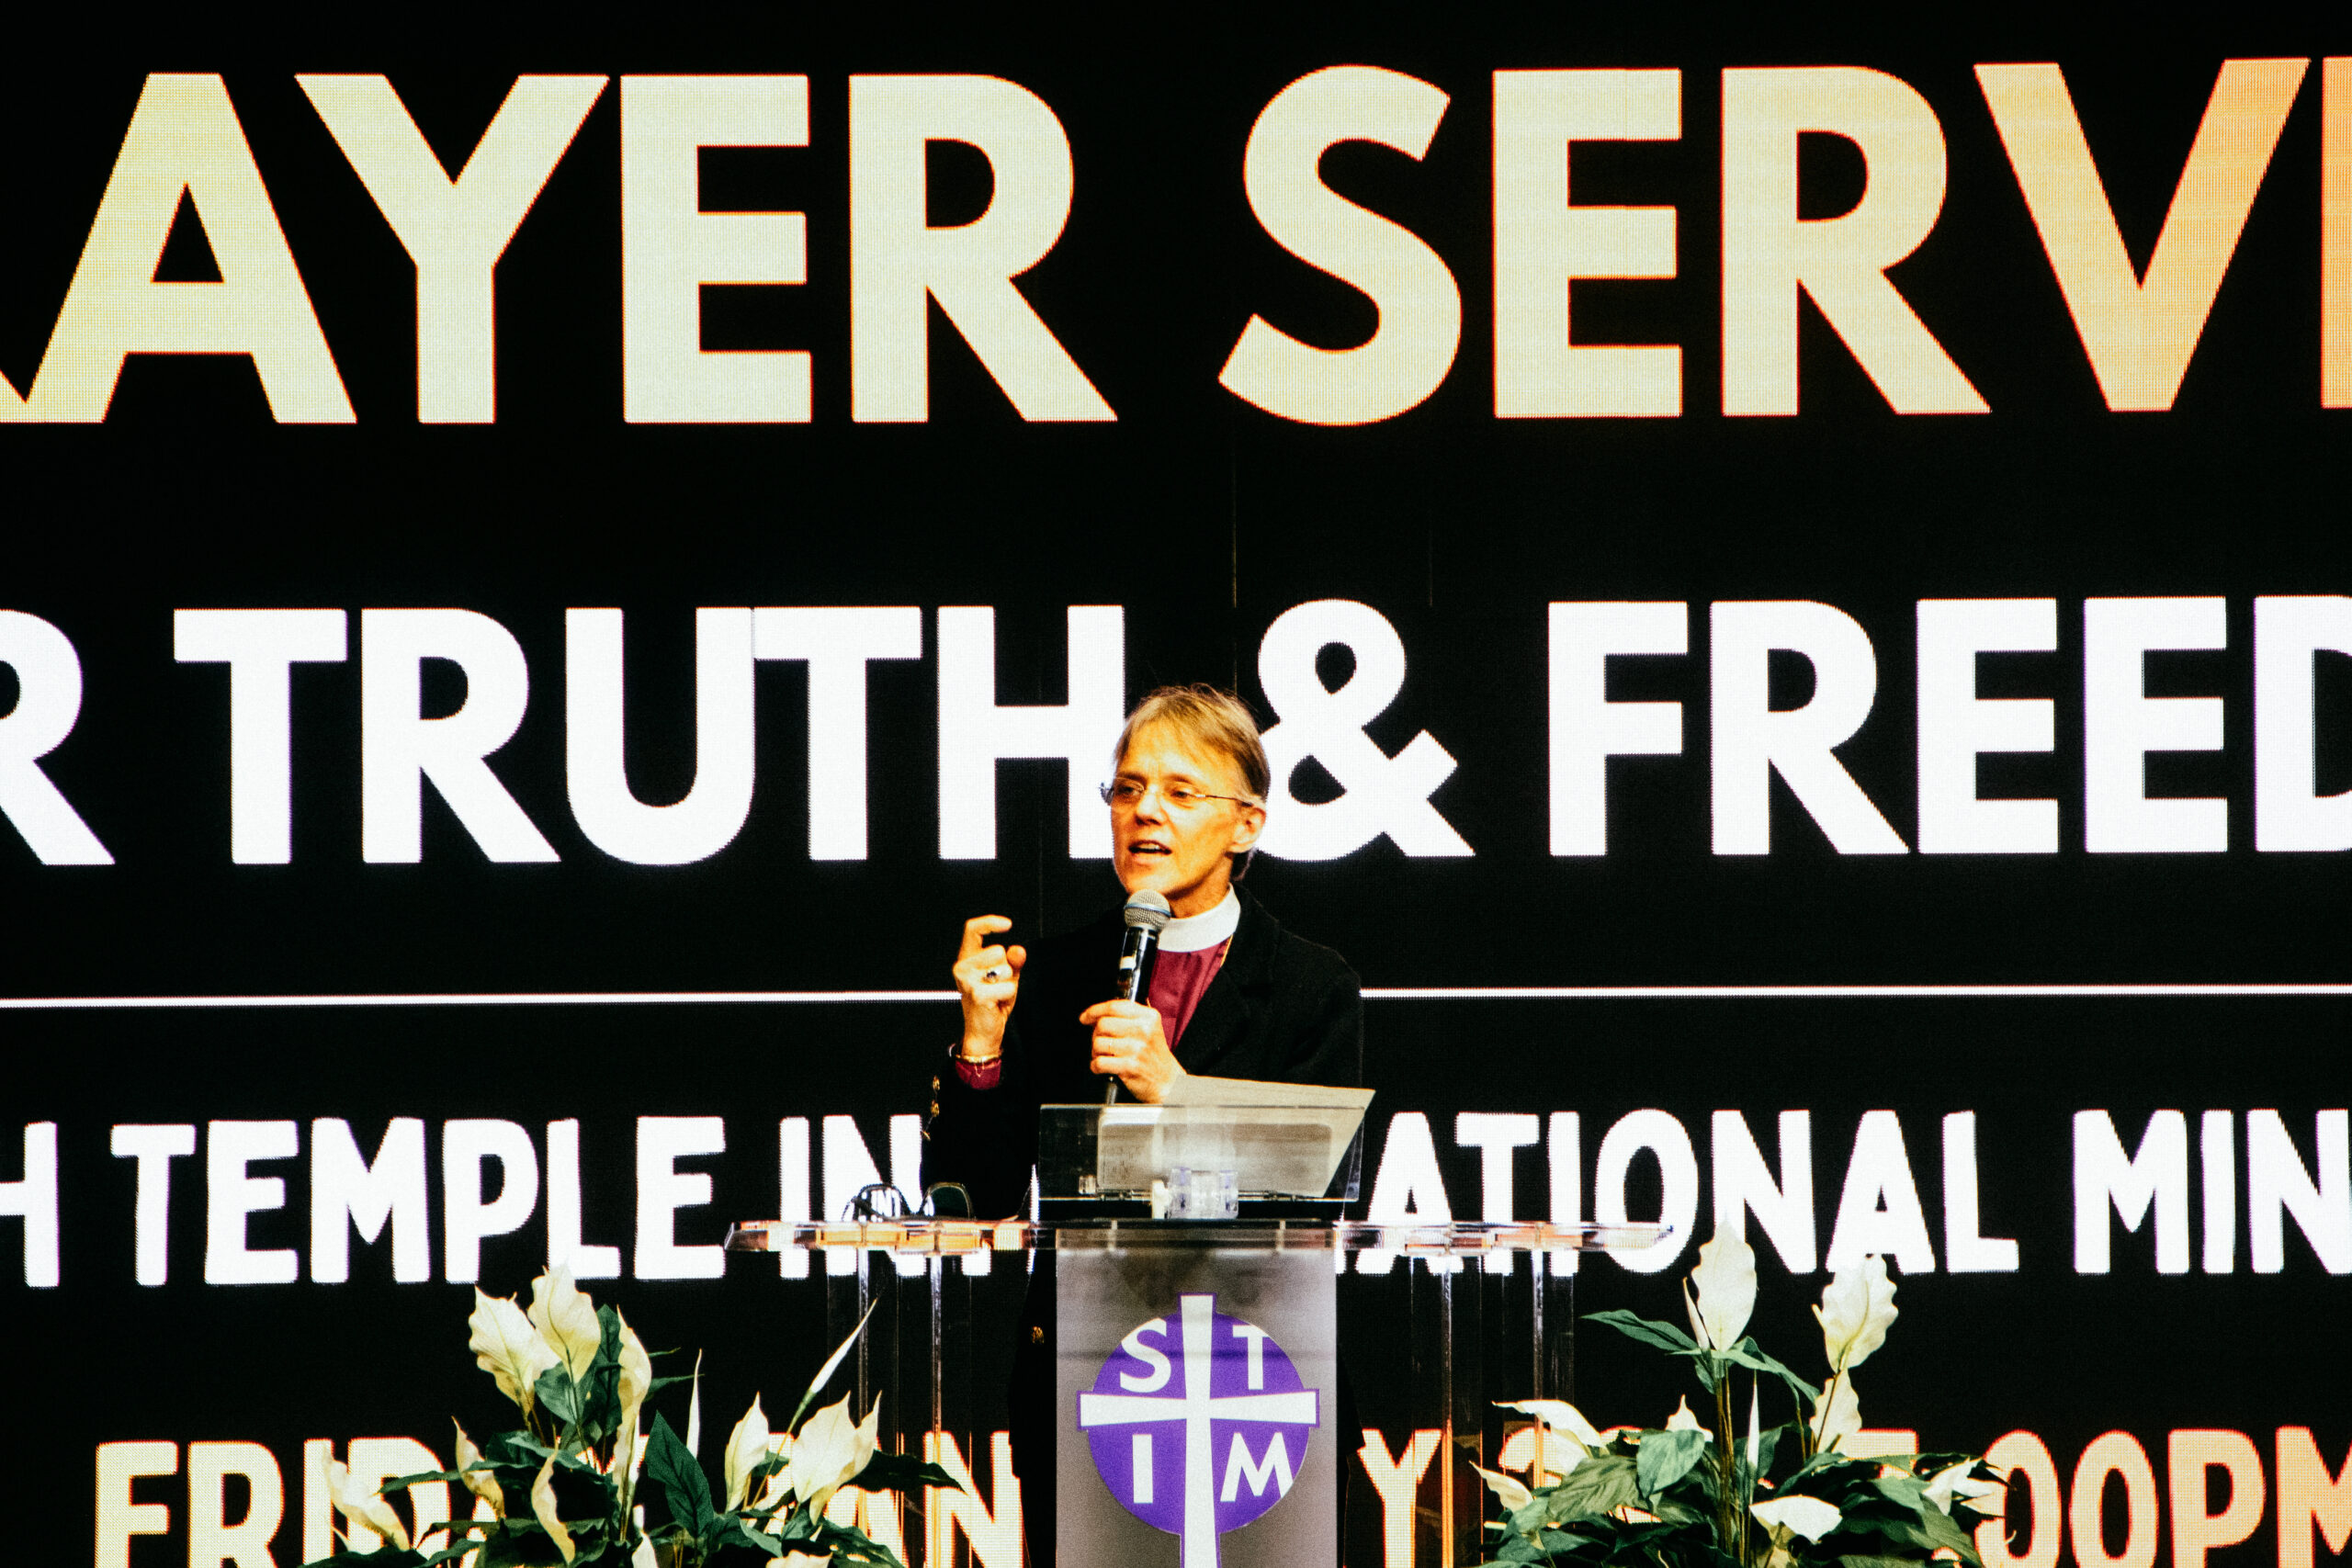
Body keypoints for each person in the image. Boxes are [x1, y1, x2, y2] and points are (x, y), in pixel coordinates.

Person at [919, 682, 1363, 1566]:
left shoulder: (1312, 982)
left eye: (1179, 791)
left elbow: (1327, 1184)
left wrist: (1174, 1087)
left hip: (1260, 1377)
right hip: (1091, 1380)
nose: (1145, 812)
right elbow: (982, 1199)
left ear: (1246, 825)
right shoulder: (1054, 972)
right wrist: (982, 1045)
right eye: (1126, 789)